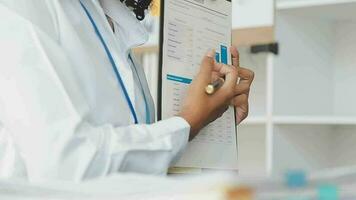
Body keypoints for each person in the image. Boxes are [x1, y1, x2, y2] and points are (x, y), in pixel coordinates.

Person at [0, 0, 254, 182]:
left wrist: (213, 112)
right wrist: (188, 122)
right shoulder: (22, 8)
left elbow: (138, 156)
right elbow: (66, 164)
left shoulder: (114, 22)